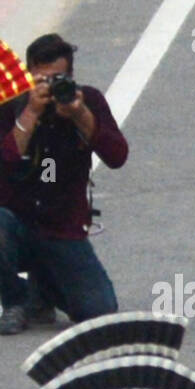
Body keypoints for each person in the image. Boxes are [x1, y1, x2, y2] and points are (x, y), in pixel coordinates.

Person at [0, 34, 126, 334]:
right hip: (16, 222)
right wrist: (31, 113)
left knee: (99, 309)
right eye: (41, 79)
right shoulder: (12, 106)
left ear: (70, 76)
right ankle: (16, 300)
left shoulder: (88, 101)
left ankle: (42, 289)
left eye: (58, 78)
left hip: (62, 227)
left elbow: (117, 155)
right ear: (29, 75)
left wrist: (80, 114)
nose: (50, 87)